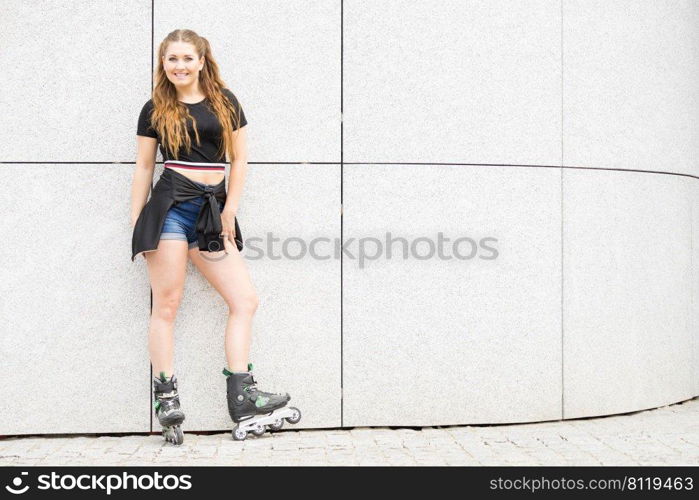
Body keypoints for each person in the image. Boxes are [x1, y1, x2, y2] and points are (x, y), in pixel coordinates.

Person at [130, 29, 291, 445]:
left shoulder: (225, 101)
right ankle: (166, 397)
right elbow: (144, 169)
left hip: (212, 212)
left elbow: (239, 160)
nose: (179, 66)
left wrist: (231, 209)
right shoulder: (154, 108)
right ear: (163, 64)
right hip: (168, 211)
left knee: (244, 300)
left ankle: (244, 396)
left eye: (187, 58)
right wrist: (138, 223)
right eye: (171, 59)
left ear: (202, 61)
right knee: (167, 304)